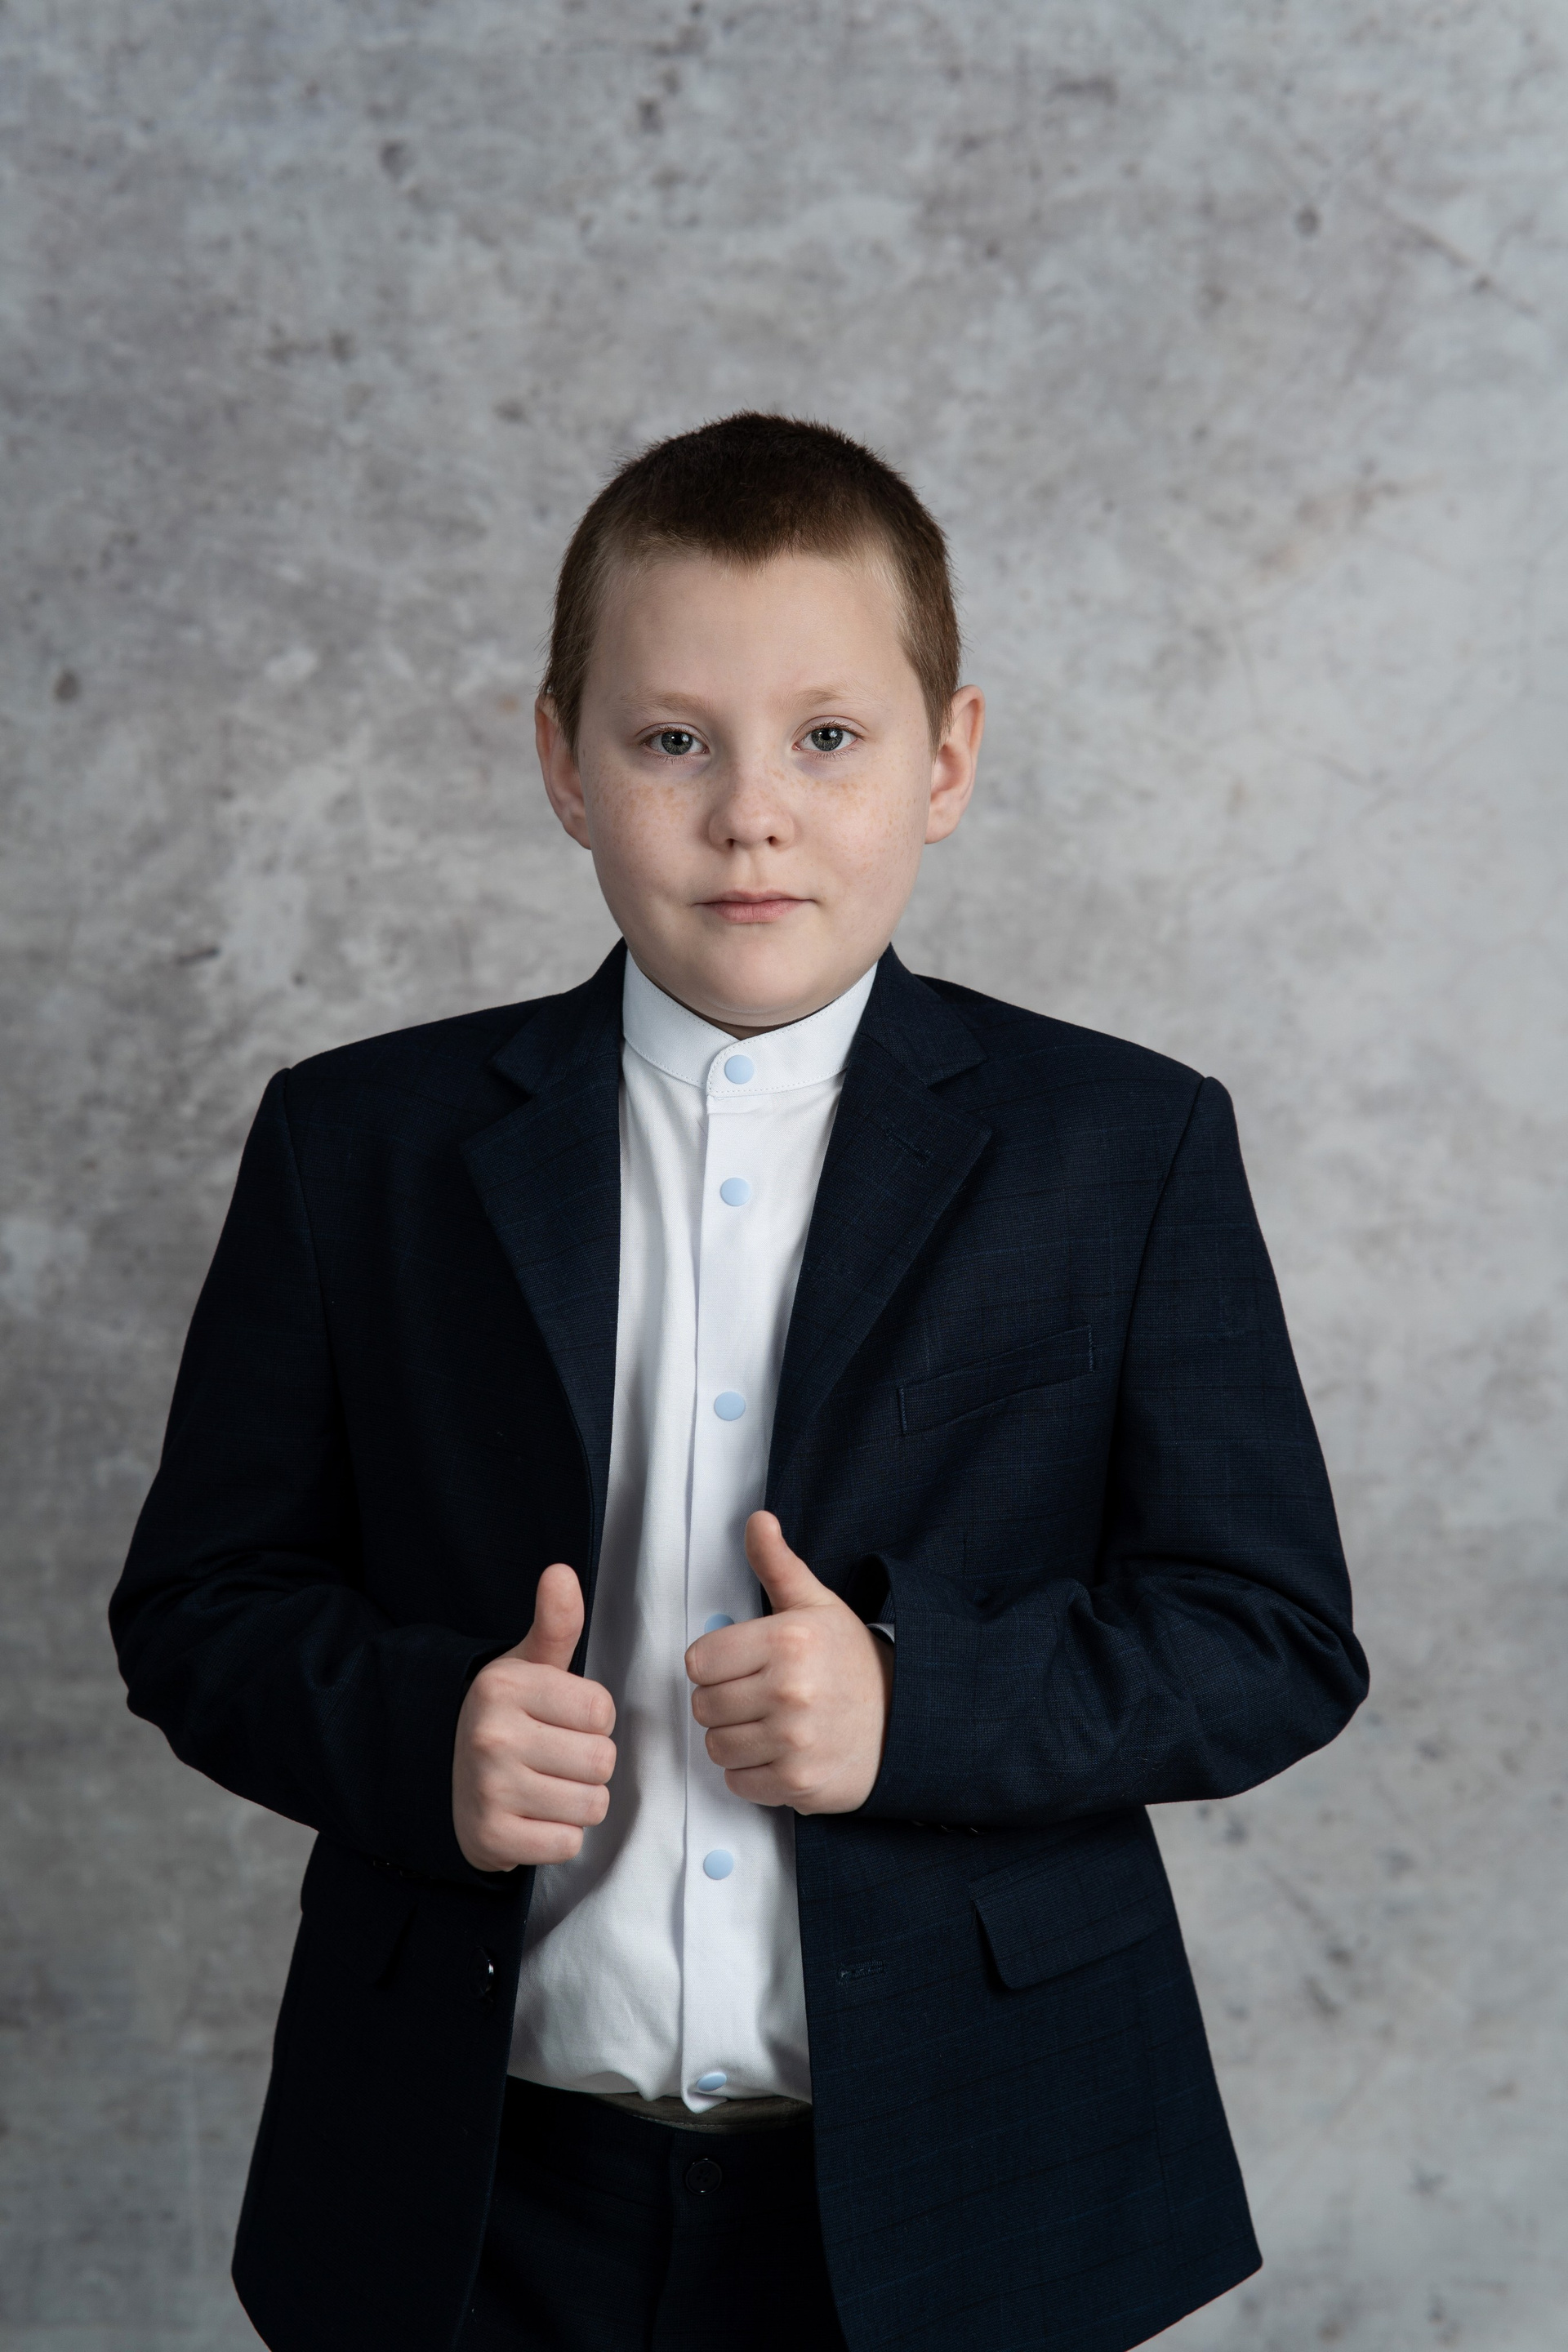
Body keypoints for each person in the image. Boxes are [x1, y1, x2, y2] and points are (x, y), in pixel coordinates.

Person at [109, 412, 1368, 2352]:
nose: (750, 815)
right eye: (672, 741)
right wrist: (426, 1735)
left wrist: (915, 1704)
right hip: (476, 2194)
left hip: (977, 2180)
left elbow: (1268, 1637)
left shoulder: (1124, 1147)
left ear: (947, 760)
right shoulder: (356, 1145)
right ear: (564, 763)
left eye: (829, 737)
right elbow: (201, 1606)